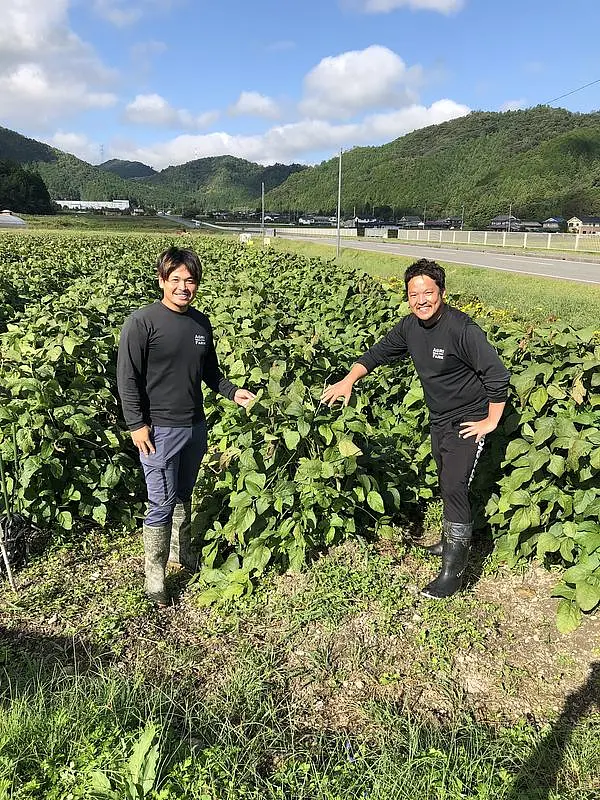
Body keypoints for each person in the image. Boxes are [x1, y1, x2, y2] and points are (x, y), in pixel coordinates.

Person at [321, 259, 510, 599]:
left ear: (442, 292)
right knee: (445, 478)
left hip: (468, 419)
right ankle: (448, 541)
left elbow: (497, 375)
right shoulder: (410, 327)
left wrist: (491, 420)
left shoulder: (462, 329)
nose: (421, 300)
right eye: (414, 294)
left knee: (454, 485)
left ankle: (454, 570)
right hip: (440, 419)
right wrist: (349, 379)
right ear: (407, 297)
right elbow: (379, 353)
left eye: (428, 292)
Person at [117, 246, 255, 606]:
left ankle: (183, 553)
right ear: (162, 280)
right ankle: (155, 577)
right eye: (175, 279)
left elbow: (210, 373)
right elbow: (127, 378)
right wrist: (137, 424)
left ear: (197, 284)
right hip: (158, 429)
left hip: (194, 425)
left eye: (189, 280)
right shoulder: (142, 322)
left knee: (183, 495)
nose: (182, 286)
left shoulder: (200, 324)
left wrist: (232, 391)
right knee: (160, 502)